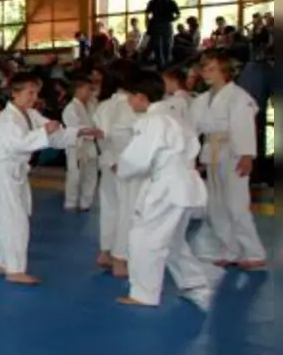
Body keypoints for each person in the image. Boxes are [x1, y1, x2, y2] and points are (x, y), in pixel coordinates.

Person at [114, 70, 215, 309]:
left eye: (130, 97)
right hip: (183, 185)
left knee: (145, 238)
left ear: (140, 97)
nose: (128, 102)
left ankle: (144, 294)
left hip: (166, 188)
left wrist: (121, 167)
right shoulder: (174, 116)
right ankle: (192, 282)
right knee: (173, 241)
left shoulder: (152, 122)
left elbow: (138, 159)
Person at [0, 72, 90, 285]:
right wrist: (43, 132)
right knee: (14, 219)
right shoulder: (6, 119)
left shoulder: (30, 114)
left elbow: (54, 134)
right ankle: (15, 270)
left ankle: (3, 261)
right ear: (15, 93)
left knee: (15, 215)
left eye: (36, 93)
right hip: (3, 170)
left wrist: (79, 132)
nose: (33, 97)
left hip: (16, 170)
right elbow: (20, 143)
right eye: (30, 92)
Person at [192, 52, 267, 270]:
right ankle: (230, 249)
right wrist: (191, 157)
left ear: (224, 71)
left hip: (232, 154)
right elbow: (191, 129)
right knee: (215, 206)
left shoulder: (238, 97)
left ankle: (254, 253)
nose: (206, 73)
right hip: (211, 153)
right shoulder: (201, 100)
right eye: (204, 69)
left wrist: (246, 156)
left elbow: (244, 127)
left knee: (236, 205)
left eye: (212, 69)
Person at [93, 70, 141, 276]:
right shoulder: (131, 106)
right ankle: (121, 259)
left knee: (110, 207)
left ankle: (105, 252)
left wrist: (109, 158)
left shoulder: (103, 106)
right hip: (127, 163)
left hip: (107, 161)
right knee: (127, 210)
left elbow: (102, 136)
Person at [61, 76, 102, 212]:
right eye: (87, 89)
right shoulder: (70, 108)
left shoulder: (92, 105)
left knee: (91, 174)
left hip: (90, 144)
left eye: (91, 90)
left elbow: (99, 119)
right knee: (75, 176)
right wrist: (93, 131)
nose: (90, 92)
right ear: (77, 90)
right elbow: (75, 128)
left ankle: (86, 203)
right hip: (76, 146)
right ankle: (71, 203)